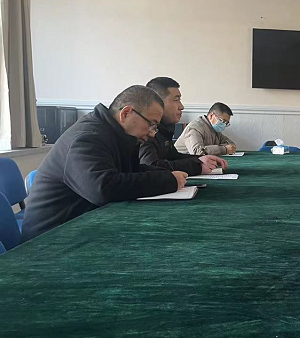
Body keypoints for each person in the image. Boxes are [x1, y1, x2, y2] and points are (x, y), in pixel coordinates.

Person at [21, 86, 186, 242]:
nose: (152, 133)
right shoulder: (87, 137)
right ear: (126, 114)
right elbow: (103, 189)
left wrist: (167, 175)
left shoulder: (118, 135)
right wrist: (168, 181)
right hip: (51, 241)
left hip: (85, 227)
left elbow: (131, 171)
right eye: (151, 124)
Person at [140, 77, 227, 175]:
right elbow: (151, 166)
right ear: (157, 103)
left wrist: (201, 159)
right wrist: (197, 166)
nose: (181, 106)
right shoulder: (144, 130)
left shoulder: (165, 128)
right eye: (176, 100)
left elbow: (173, 157)